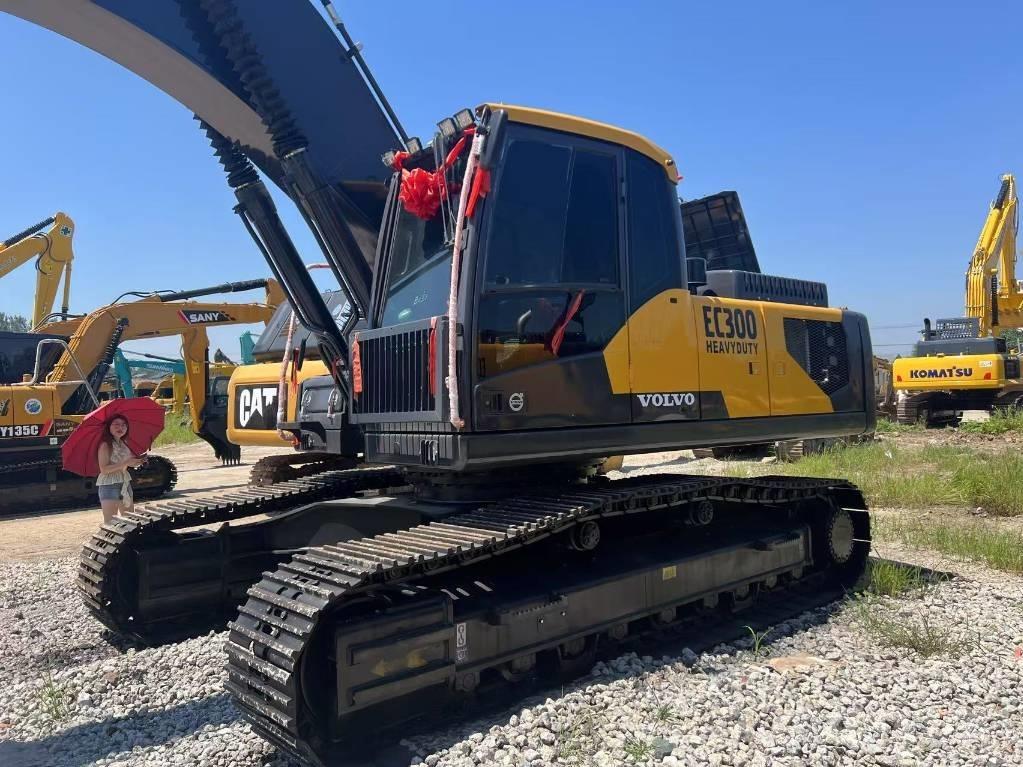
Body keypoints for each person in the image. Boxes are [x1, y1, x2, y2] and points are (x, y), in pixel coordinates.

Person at [96, 415, 145, 523]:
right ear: (108, 427)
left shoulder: (124, 443)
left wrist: (137, 462)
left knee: (129, 520)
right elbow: (104, 469)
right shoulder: (105, 445)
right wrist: (126, 462)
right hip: (109, 484)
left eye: (124, 425)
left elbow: (127, 463)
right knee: (110, 522)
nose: (120, 428)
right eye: (116, 424)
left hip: (125, 482)